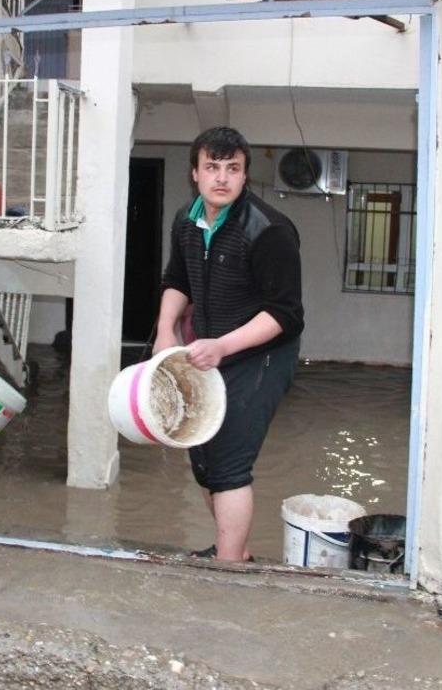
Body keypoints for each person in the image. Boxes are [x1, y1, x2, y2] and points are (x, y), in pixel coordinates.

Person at [153, 126, 303, 563]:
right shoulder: (187, 220)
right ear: (195, 174)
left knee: (230, 461)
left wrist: (222, 346)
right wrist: (167, 330)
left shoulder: (269, 230)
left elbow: (285, 313)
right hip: (210, 350)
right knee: (200, 452)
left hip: (263, 354)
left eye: (232, 168)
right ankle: (234, 549)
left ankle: (229, 570)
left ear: (244, 176)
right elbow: (177, 280)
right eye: (212, 167)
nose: (222, 178)